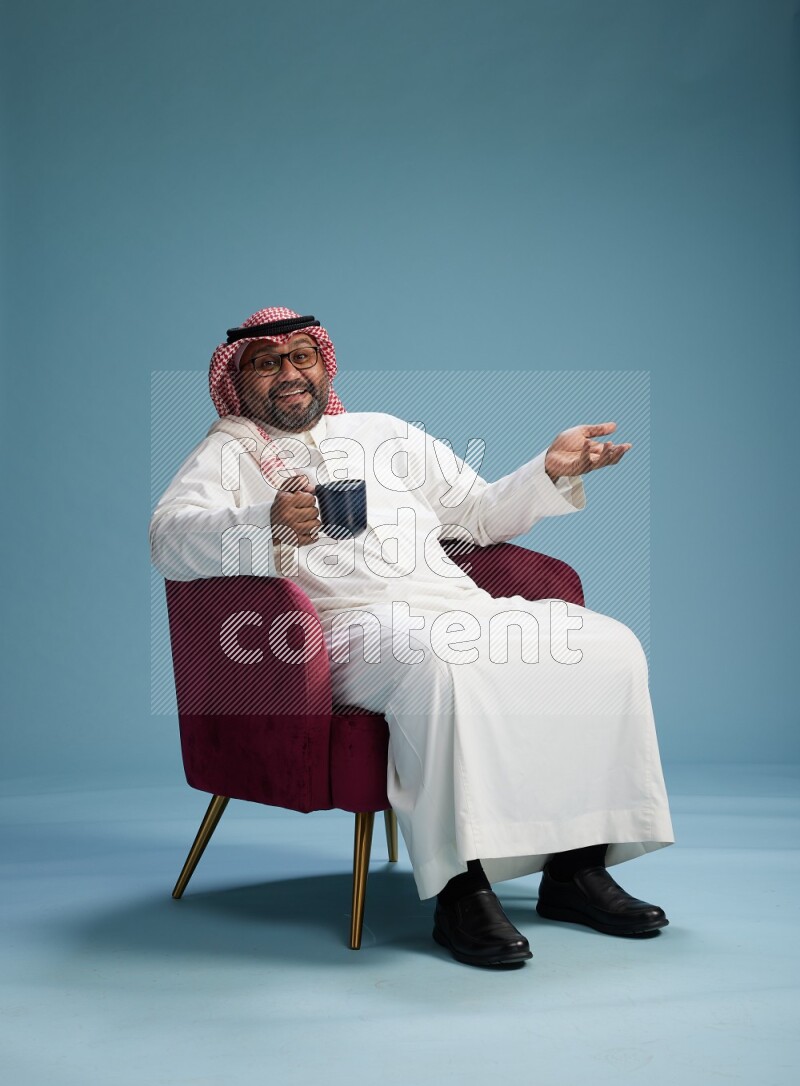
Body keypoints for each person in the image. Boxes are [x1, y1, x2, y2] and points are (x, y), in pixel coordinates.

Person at [149, 306, 675, 968]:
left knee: (606, 648)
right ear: (238, 378)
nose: (289, 373)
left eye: (301, 357)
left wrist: (549, 470)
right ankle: (461, 891)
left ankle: (576, 869)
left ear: (323, 365)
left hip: (454, 603)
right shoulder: (225, 454)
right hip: (340, 628)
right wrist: (265, 520)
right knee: (437, 663)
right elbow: (168, 539)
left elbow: (479, 515)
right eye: (267, 362)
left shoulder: (384, 433)